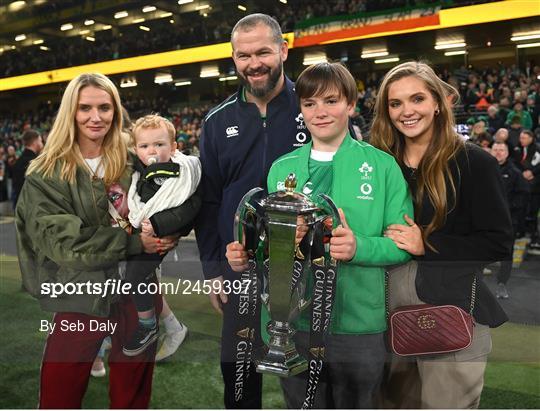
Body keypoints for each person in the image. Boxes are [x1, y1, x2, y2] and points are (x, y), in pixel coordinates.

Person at [226, 62, 413, 408]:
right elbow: (268, 247)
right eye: (310, 104)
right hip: (292, 324)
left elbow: (401, 246)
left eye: (331, 101)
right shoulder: (282, 169)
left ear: (351, 104)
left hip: (357, 324)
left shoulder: (383, 166)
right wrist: (248, 253)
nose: (320, 112)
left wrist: (359, 246)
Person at [15, 73, 178, 408]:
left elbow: (173, 201)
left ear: (116, 111)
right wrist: (136, 243)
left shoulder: (136, 158)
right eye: (85, 107)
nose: (96, 116)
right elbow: (66, 245)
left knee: (132, 396)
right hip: (79, 294)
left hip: (137, 292)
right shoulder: (45, 172)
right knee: (59, 394)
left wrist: (170, 229)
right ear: (69, 112)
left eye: (105, 107)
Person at [370, 61, 513, 409]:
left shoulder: (474, 162)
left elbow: (498, 242)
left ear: (438, 103)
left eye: (417, 99)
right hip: (382, 316)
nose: (407, 111)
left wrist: (426, 244)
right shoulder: (377, 164)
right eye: (396, 103)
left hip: (450, 316)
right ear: (386, 111)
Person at [195, 13, 311, 408]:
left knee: (309, 378)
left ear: (283, 49)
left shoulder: (315, 105)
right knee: (240, 377)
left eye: (263, 51)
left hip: (306, 267)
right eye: (244, 55)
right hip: (239, 265)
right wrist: (213, 270)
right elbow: (208, 200)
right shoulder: (216, 121)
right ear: (234, 59)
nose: (254, 63)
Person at [124, 114, 201, 356]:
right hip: (138, 230)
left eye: (159, 144)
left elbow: (188, 205)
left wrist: (159, 224)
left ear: (174, 147)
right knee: (140, 278)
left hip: (156, 235)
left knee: (135, 276)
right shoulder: (140, 171)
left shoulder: (181, 171)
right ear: (136, 149)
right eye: (145, 146)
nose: (152, 151)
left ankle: (148, 326)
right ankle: (168, 326)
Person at [491, 141, 529, 298]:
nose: (498, 152)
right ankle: (474, 285)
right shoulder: (484, 170)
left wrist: (506, 208)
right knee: (478, 251)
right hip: (485, 220)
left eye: (502, 150)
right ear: (491, 151)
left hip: (507, 221)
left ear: (507, 153)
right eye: (496, 149)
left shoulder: (515, 172)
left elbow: (523, 195)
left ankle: (502, 284)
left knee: (506, 253)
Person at [512, 129, 540, 255]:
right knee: (521, 209)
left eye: (524, 138)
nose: (521, 140)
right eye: (521, 138)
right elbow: (514, 162)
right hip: (522, 183)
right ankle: (521, 231)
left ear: (531, 138)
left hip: (535, 186)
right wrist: (522, 173)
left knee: (533, 211)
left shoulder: (537, 148)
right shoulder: (517, 149)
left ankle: (534, 237)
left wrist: (532, 172)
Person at [11, 129, 44, 207]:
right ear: (35, 142)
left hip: (20, 205)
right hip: (32, 206)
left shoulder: (18, 161)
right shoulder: (35, 162)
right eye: (40, 141)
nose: (42, 144)